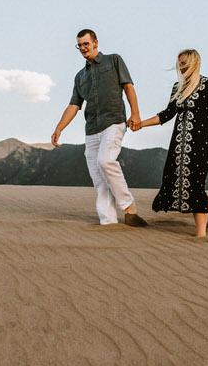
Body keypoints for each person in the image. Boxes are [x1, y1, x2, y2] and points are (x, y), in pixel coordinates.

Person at [52, 29, 148, 227]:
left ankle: (129, 207)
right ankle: (108, 223)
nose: (83, 48)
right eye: (79, 45)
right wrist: (59, 128)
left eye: (86, 44)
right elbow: (74, 105)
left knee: (105, 161)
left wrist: (135, 113)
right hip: (91, 129)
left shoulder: (113, 60)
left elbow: (128, 86)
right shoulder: (80, 76)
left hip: (113, 121)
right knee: (98, 178)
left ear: (95, 42)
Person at [133, 49, 208, 237]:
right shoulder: (178, 87)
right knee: (181, 181)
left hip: (201, 144)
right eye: (179, 64)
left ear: (195, 63)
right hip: (178, 145)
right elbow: (167, 114)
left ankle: (201, 234)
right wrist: (141, 124)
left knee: (196, 184)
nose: (181, 68)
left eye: (184, 63)